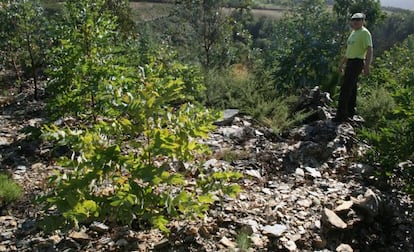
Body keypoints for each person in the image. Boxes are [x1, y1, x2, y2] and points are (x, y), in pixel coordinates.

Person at [334, 12, 373, 123]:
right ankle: (350, 112)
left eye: (358, 19)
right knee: (352, 88)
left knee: (345, 88)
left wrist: (367, 66)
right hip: (350, 61)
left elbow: (369, 49)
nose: (355, 21)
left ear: (363, 21)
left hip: (357, 62)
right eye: (353, 19)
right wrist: (342, 64)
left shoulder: (364, 33)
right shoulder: (353, 33)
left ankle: (340, 116)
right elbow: (349, 51)